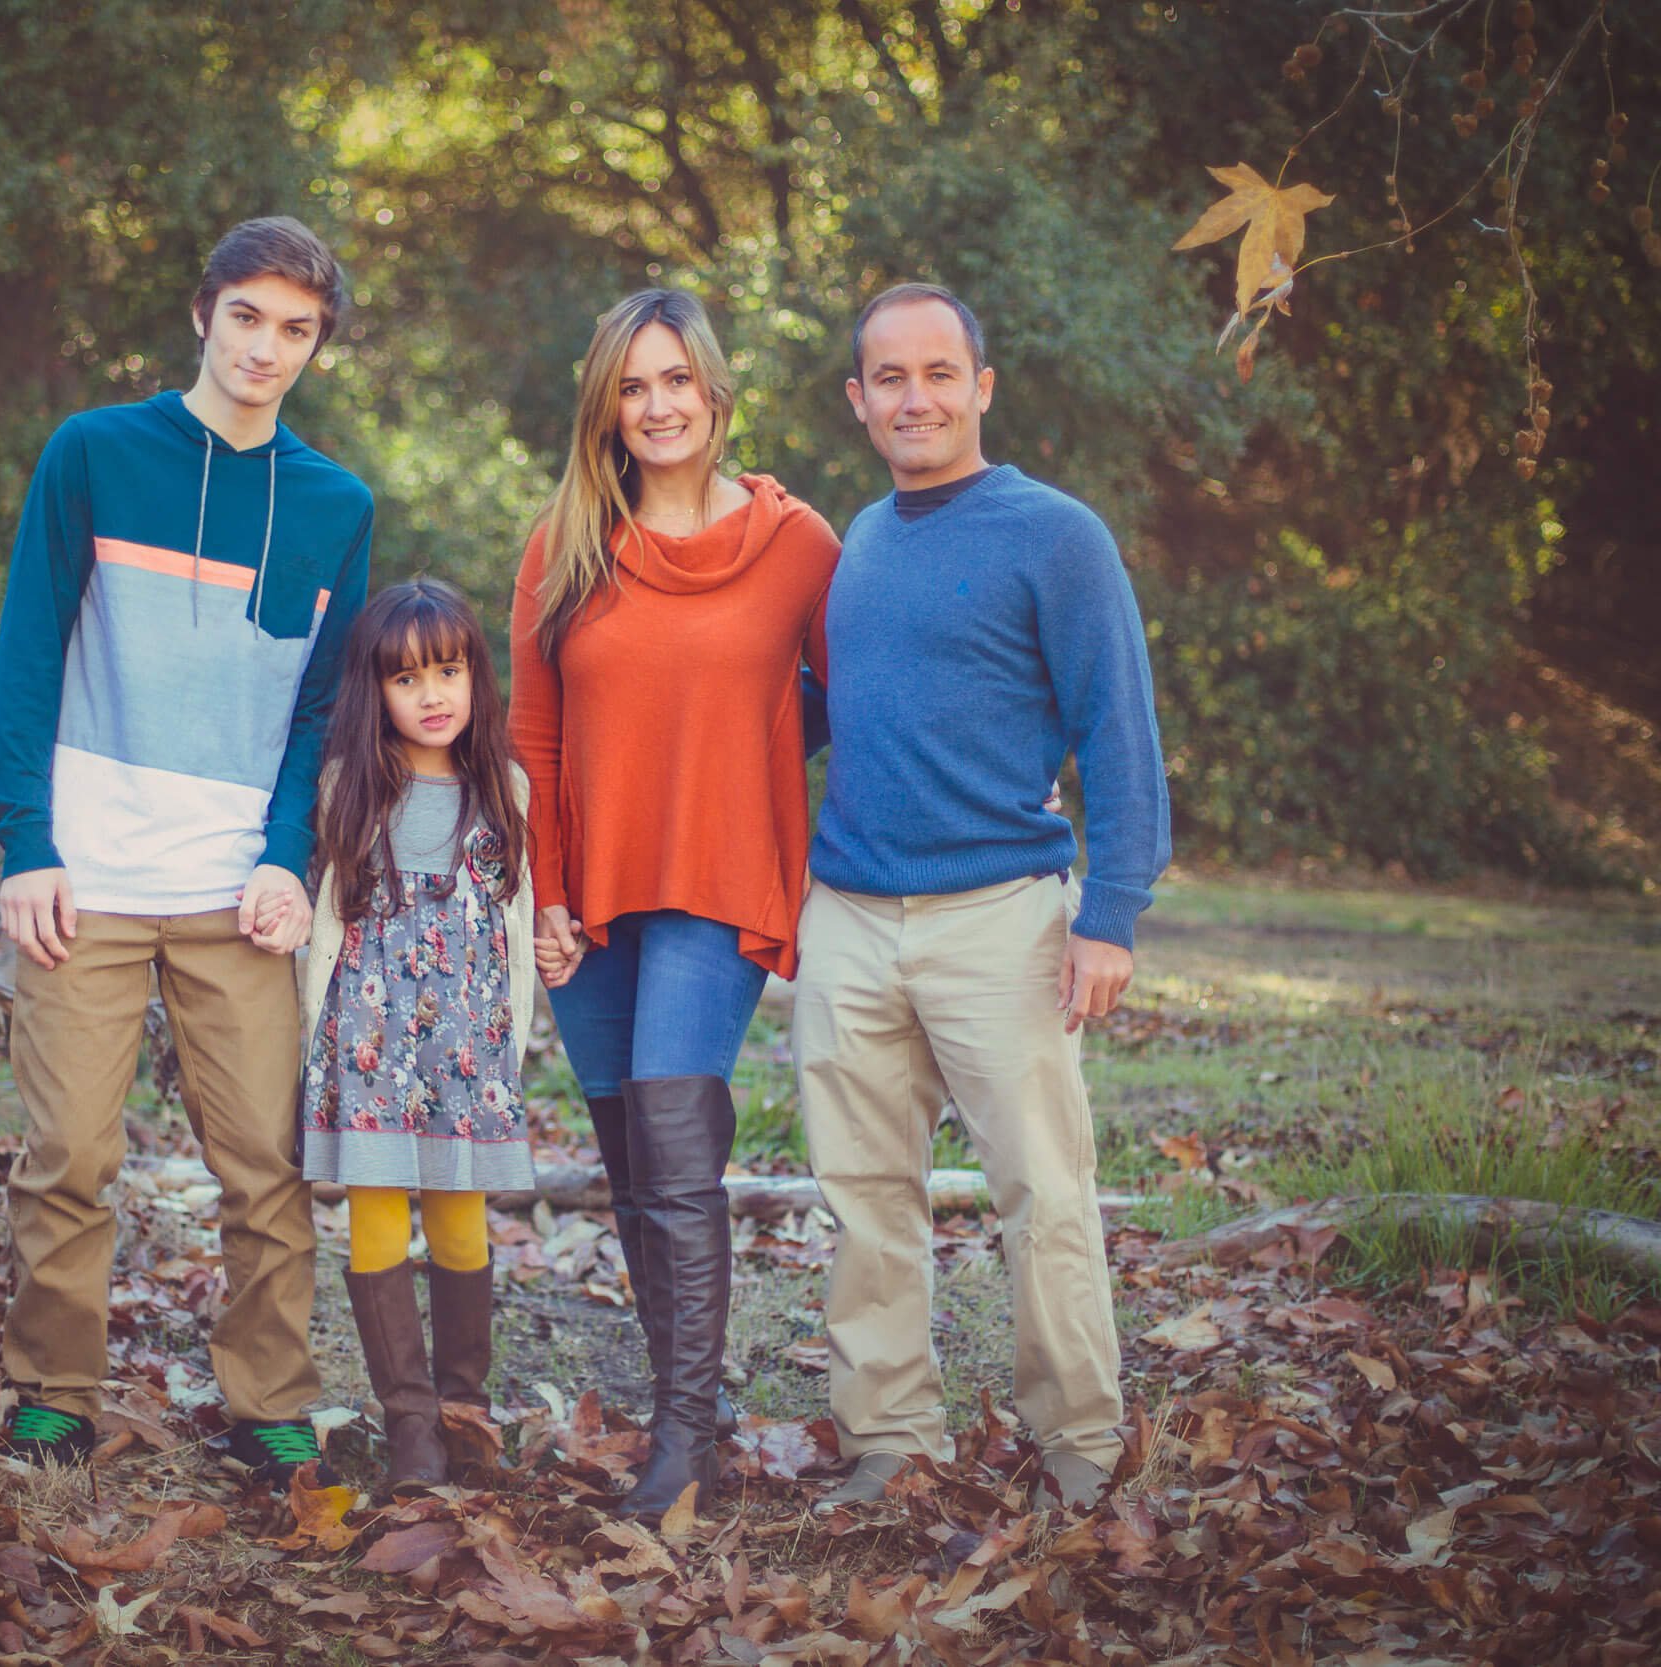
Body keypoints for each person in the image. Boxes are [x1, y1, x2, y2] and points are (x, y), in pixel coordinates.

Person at [0, 216, 374, 1484]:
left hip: (234, 892)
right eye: (247, 315)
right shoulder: (94, 453)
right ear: (202, 313)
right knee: (68, 1156)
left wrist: (286, 858)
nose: (266, 347)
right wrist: (26, 842)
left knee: (266, 1164)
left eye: (296, 328)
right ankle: (54, 1391)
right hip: (83, 881)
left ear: (316, 345)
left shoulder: (335, 504)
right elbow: (27, 650)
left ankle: (268, 1398)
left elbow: (321, 709)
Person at [800, 282, 1170, 1516]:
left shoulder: (1055, 535)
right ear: (858, 401)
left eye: (938, 372)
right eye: (889, 378)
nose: (915, 397)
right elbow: (822, 711)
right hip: (850, 916)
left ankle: (1078, 1440)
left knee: (1042, 1191)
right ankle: (888, 1440)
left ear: (981, 387)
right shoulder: (856, 541)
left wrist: (1110, 912)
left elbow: (1117, 727)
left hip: (1002, 914)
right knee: (864, 1196)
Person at [509, 289, 842, 1523]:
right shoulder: (565, 544)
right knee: (627, 1152)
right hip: (592, 897)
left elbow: (854, 696)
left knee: (672, 1126)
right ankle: (687, 1403)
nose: (656, 407)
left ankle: (686, 1439)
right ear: (606, 407)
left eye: (674, 381)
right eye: (631, 387)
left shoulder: (798, 544)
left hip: (717, 878)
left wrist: (751, 764)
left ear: (714, 390)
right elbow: (533, 735)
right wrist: (544, 893)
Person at [298, 579, 541, 1492]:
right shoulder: (349, 787)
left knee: (458, 1212)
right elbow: (322, 919)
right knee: (375, 1210)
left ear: (477, 675)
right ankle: (409, 1425)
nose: (432, 694)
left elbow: (517, 922)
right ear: (376, 692)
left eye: (448, 670)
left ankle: (462, 1411)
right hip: (369, 1038)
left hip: (464, 1045)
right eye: (406, 679)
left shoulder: (505, 788)